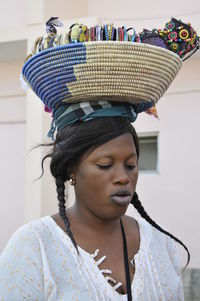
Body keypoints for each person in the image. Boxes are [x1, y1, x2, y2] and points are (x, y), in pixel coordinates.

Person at [0, 17, 199, 300]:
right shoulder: (34, 249)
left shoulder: (161, 247)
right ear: (71, 168)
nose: (123, 176)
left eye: (131, 164)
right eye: (105, 164)